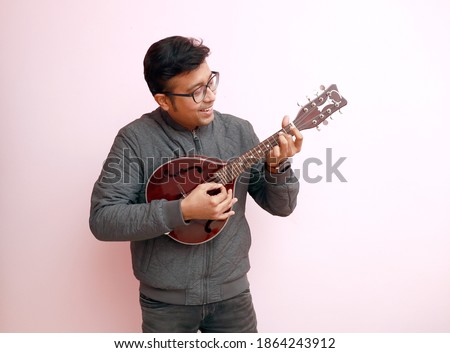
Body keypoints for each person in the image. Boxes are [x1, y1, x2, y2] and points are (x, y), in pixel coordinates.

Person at [89, 35, 303, 333]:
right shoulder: (135, 140)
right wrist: (183, 210)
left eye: (210, 82)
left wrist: (277, 167)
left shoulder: (239, 132)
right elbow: (103, 220)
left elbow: (282, 207)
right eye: (195, 92)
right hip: (165, 306)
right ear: (163, 100)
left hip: (233, 298)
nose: (210, 96)